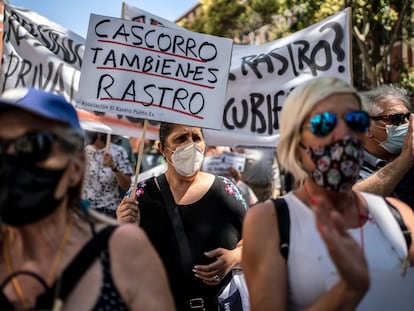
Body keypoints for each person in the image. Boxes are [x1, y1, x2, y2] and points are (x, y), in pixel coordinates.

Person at [242, 77, 414, 311]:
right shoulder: (270, 222)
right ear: (296, 143)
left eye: (355, 120)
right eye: (324, 124)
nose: (343, 134)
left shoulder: (401, 217)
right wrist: (348, 290)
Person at [0, 88, 175, 310]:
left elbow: (125, 183)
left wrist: (112, 166)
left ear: (75, 167)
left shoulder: (122, 251)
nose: (11, 159)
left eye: (34, 144)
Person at [117, 122, 247, 311]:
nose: (191, 145)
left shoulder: (226, 190)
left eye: (196, 138)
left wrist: (234, 257)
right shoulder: (139, 195)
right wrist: (124, 229)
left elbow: (257, 242)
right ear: (162, 148)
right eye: (181, 138)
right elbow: (124, 262)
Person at [353, 85, 414, 208]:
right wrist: (404, 160)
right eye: (396, 119)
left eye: (408, 117)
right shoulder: (349, 164)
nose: (407, 125)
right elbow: (352, 200)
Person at [83, 131, 134, 218]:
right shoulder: (81, 152)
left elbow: (126, 185)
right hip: (85, 211)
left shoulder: (118, 152)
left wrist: (113, 167)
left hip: (109, 212)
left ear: (101, 132)